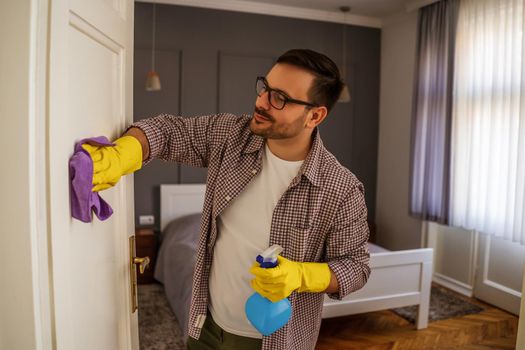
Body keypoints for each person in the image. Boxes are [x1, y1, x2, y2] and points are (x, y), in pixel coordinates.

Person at [83, 48, 370, 350]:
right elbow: (167, 132)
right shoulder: (231, 136)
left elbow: (356, 267)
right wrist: (123, 152)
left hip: (275, 341)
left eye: (280, 98)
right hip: (204, 325)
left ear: (315, 115)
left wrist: (302, 274)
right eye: (265, 88)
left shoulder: (342, 189)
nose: (261, 102)